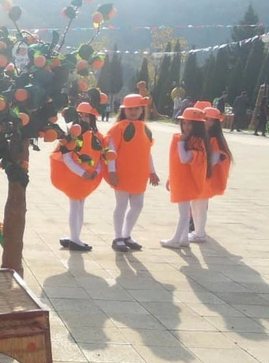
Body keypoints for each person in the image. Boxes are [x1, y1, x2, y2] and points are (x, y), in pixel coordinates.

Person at [105, 94, 160, 252]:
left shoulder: (145, 129)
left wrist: (152, 171)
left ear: (142, 110)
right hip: (123, 172)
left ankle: (126, 235)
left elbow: (147, 152)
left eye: (137, 108)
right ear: (124, 110)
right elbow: (111, 150)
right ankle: (118, 237)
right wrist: (112, 171)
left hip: (139, 174)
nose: (133, 112)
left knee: (138, 205)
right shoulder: (119, 128)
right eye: (130, 109)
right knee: (121, 205)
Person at [51, 103, 109, 252]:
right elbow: (66, 158)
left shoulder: (98, 137)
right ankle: (75, 239)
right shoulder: (71, 138)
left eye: (86, 116)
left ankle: (74, 236)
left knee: (79, 206)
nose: (83, 119)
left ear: (93, 118)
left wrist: (95, 171)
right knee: (76, 206)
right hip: (75, 177)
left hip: (87, 177)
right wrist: (82, 173)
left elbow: (101, 157)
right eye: (80, 116)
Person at [161, 107, 209, 249]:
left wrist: (181, 142)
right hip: (181, 180)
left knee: (183, 213)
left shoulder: (196, 142)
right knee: (184, 211)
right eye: (184, 123)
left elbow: (184, 159)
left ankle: (176, 239)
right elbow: (177, 162)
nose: (186, 127)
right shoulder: (190, 140)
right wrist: (171, 177)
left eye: (190, 124)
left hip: (187, 182)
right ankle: (183, 239)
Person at [188, 107, 233, 243]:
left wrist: (200, 169)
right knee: (195, 203)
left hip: (206, 177)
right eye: (205, 119)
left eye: (209, 120)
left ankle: (200, 233)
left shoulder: (215, 140)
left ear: (215, 123)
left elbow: (213, 160)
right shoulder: (202, 137)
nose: (206, 122)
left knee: (200, 205)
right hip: (200, 175)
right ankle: (197, 230)